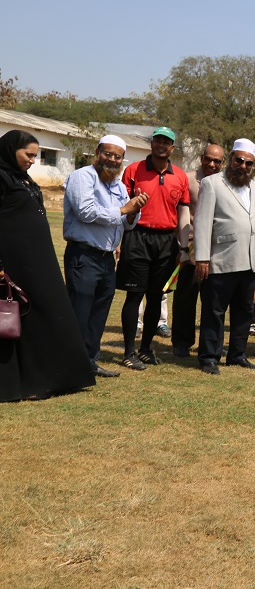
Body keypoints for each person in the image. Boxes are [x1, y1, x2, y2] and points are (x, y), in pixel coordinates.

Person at [0, 130, 95, 400]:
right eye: (28, 155)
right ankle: (29, 382)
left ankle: (57, 377)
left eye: (36, 155)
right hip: (14, 262)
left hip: (39, 261)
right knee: (23, 317)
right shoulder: (1, 177)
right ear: (10, 150)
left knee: (50, 310)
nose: (33, 160)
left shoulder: (23, 178)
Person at [63, 135, 149, 378]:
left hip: (106, 258)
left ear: (122, 160)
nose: (112, 159)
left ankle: (90, 362)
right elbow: (85, 212)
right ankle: (71, 365)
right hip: (84, 255)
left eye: (117, 156)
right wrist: (124, 209)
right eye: (107, 154)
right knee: (79, 312)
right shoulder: (82, 177)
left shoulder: (118, 185)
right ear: (97, 152)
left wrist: (134, 211)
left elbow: (126, 223)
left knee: (98, 314)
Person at [193, 139, 255, 375]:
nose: (243, 166)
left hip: (250, 260)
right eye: (239, 160)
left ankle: (237, 354)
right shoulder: (212, 183)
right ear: (231, 159)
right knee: (214, 311)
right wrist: (202, 258)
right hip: (221, 259)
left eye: (248, 163)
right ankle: (209, 357)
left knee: (244, 311)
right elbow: (202, 223)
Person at [117, 126, 190, 370]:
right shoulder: (133, 170)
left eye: (166, 142)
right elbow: (123, 207)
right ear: (151, 144)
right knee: (135, 295)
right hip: (138, 237)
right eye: (157, 140)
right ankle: (129, 352)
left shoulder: (180, 176)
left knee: (157, 296)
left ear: (172, 148)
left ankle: (146, 348)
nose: (161, 145)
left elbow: (183, 212)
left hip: (167, 242)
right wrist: (120, 239)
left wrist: (183, 246)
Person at [171, 143, 225, 357]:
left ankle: (210, 344)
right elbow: (180, 213)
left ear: (223, 163)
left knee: (214, 300)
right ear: (202, 158)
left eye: (217, 161)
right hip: (192, 246)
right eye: (208, 159)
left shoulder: (226, 182)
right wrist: (182, 247)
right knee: (186, 296)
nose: (212, 164)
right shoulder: (188, 179)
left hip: (217, 248)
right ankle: (182, 342)